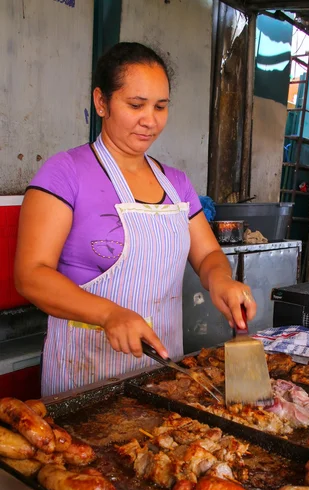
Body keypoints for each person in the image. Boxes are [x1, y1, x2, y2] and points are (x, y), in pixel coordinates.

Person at [15, 42, 256, 397]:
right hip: (83, 373)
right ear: (102, 102)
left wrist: (221, 280)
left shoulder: (176, 183)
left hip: (159, 371)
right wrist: (109, 314)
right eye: (135, 105)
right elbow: (31, 274)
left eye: (160, 107)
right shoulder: (65, 173)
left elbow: (207, 255)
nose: (151, 120)